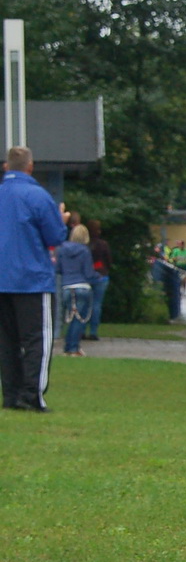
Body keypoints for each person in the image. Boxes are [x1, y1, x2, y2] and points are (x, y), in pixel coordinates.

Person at [0, 147, 70, 410]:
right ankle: (31, 396)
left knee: (7, 341)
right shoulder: (37, 196)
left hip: (2, 278)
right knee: (36, 339)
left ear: (7, 167)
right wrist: (61, 219)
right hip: (30, 279)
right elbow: (54, 236)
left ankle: (10, 394)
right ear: (30, 167)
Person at [56, 225, 97, 355]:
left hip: (67, 287)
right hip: (82, 286)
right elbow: (88, 272)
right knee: (79, 320)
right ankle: (73, 347)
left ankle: (69, 346)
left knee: (71, 318)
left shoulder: (62, 250)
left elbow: (58, 269)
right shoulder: (85, 251)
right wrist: (98, 277)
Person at [85, 219, 111, 340]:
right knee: (96, 304)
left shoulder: (85, 245)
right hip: (101, 275)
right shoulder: (103, 244)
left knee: (85, 305)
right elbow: (108, 261)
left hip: (86, 276)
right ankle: (93, 331)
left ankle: (81, 330)